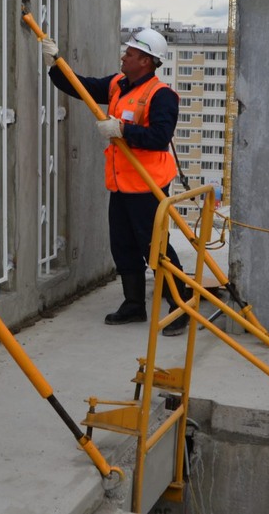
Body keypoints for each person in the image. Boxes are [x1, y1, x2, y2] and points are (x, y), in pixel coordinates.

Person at [40, 27, 192, 336]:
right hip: (121, 184)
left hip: (149, 187)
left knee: (156, 249)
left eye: (131, 54)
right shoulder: (117, 85)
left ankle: (181, 306)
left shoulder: (161, 95)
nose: (125, 56)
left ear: (147, 62)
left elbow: (160, 137)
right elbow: (81, 87)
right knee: (122, 246)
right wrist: (55, 63)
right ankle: (134, 304)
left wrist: (123, 130)